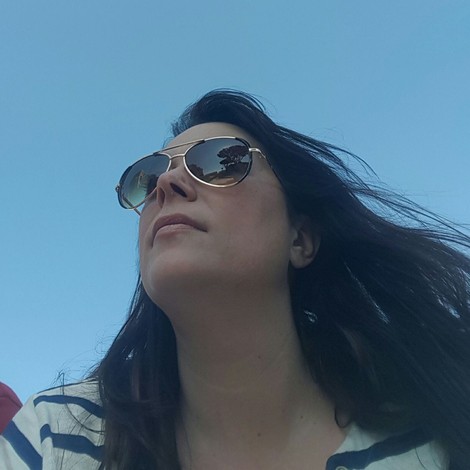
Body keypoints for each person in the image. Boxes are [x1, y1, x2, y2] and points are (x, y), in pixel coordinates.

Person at [1, 90, 469, 469]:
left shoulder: (435, 433)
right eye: (148, 176)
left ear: (300, 239)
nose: (165, 185)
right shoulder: (56, 438)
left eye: (218, 161)